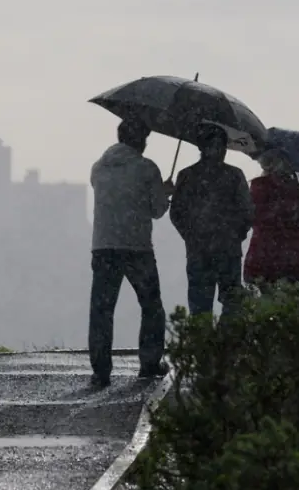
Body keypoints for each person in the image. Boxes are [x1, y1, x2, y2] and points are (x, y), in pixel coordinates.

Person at [88, 118, 174, 388]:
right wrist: (165, 192)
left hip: (103, 245)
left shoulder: (99, 167)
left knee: (102, 309)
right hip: (136, 247)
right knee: (151, 306)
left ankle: (101, 371)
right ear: (141, 140)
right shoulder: (146, 168)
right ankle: (149, 364)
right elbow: (157, 210)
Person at [170, 124, 254, 320]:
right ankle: (225, 345)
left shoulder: (187, 176)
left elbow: (177, 214)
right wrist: (236, 235)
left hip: (202, 250)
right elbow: (247, 212)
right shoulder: (233, 175)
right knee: (231, 303)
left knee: (202, 305)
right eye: (217, 146)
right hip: (226, 249)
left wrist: (191, 236)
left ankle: (204, 346)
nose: (220, 151)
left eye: (221, 146)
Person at [243, 148, 299, 289]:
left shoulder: (258, 189)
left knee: (267, 298)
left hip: (264, 253)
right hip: (292, 255)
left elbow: (252, 217)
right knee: (290, 297)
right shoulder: (295, 190)